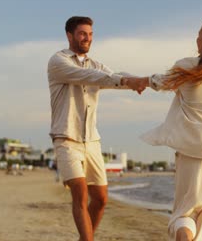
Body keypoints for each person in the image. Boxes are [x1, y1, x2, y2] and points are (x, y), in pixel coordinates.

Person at [130, 18, 202, 241]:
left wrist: (138, 81)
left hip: (195, 153)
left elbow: (160, 82)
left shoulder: (187, 67)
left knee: (185, 213)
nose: (196, 40)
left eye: (199, 36)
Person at [47, 16, 142, 241]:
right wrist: (126, 82)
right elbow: (91, 77)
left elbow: (112, 75)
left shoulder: (96, 65)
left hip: (91, 141)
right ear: (69, 35)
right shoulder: (58, 61)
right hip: (66, 138)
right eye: (82, 33)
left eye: (90, 34)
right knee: (80, 195)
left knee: (100, 200)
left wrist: (143, 80)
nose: (87, 38)